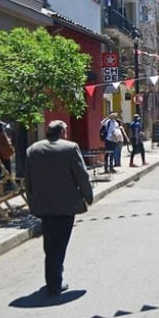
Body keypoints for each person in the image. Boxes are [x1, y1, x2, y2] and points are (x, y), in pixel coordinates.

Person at [25, 120, 93, 296]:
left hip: (43, 205)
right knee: (59, 244)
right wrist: (88, 196)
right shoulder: (70, 148)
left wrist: (32, 202)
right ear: (62, 132)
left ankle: (53, 277)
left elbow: (28, 180)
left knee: (50, 243)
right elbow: (81, 175)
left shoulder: (33, 149)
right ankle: (54, 284)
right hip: (66, 205)